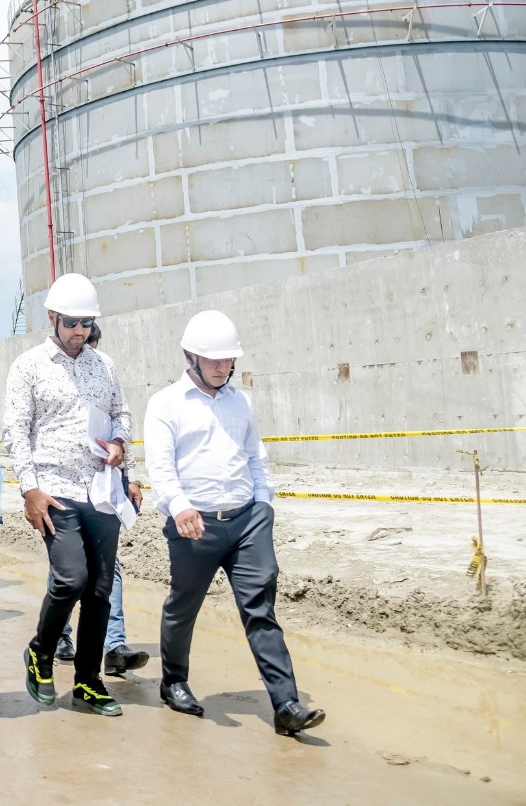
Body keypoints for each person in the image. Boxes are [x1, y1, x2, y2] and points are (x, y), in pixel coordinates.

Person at [146, 310, 325, 735]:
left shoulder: (240, 401)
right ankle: (173, 682)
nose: (223, 366)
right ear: (191, 357)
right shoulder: (166, 404)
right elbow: (160, 467)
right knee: (183, 607)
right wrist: (179, 506)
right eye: (214, 359)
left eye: (229, 359)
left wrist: (263, 503)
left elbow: (254, 457)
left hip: (247, 522)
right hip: (194, 525)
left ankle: (286, 704)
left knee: (260, 607)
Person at [4, 274, 131, 717]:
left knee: (99, 590)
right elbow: (15, 431)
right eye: (72, 322)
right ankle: (40, 651)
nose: (80, 331)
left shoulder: (104, 365)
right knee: (70, 579)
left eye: (87, 323)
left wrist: (120, 444)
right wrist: (30, 489)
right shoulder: (29, 366)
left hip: (100, 491)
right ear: (53, 318)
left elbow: (121, 413)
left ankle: (88, 682)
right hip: (54, 490)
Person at [53, 322, 148, 676]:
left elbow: (119, 428)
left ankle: (114, 646)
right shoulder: (60, 381)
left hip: (105, 487)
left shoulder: (105, 374)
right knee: (68, 571)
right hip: (68, 490)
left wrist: (131, 477)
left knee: (110, 569)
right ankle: (60, 635)